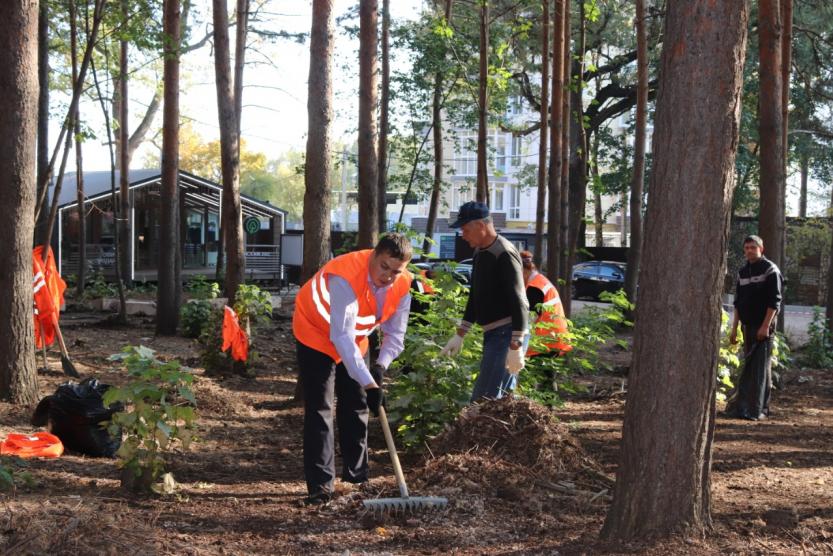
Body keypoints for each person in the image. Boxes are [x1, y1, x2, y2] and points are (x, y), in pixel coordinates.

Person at [292, 234, 413, 504]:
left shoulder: (403, 285)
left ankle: (357, 478)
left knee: (357, 404)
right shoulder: (345, 275)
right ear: (373, 256)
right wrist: (370, 383)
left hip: (355, 339)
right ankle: (321, 488)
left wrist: (380, 367)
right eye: (384, 267)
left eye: (396, 271)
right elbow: (340, 337)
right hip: (315, 334)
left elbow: (396, 335)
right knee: (320, 409)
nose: (389, 276)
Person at [439, 201, 528, 401]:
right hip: (494, 334)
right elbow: (476, 294)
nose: (463, 235)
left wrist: (516, 344)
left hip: (507, 334)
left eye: (465, 229)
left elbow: (519, 299)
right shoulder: (480, 253)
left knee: (485, 400)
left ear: (480, 225)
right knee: (498, 401)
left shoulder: (503, 253)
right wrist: (460, 334)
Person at [727, 234, 783, 421]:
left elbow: (774, 302)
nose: (750, 250)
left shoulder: (770, 270)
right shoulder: (743, 272)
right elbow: (738, 303)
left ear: (761, 249)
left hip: (763, 328)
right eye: (747, 248)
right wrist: (734, 329)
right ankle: (743, 407)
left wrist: (765, 326)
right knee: (750, 367)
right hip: (747, 326)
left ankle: (758, 410)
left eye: (753, 247)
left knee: (760, 368)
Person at [519, 251, 572, 356]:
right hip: (553, 338)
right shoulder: (538, 281)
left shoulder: (535, 287)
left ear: (523, 270)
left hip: (546, 341)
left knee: (535, 371)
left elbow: (529, 320)